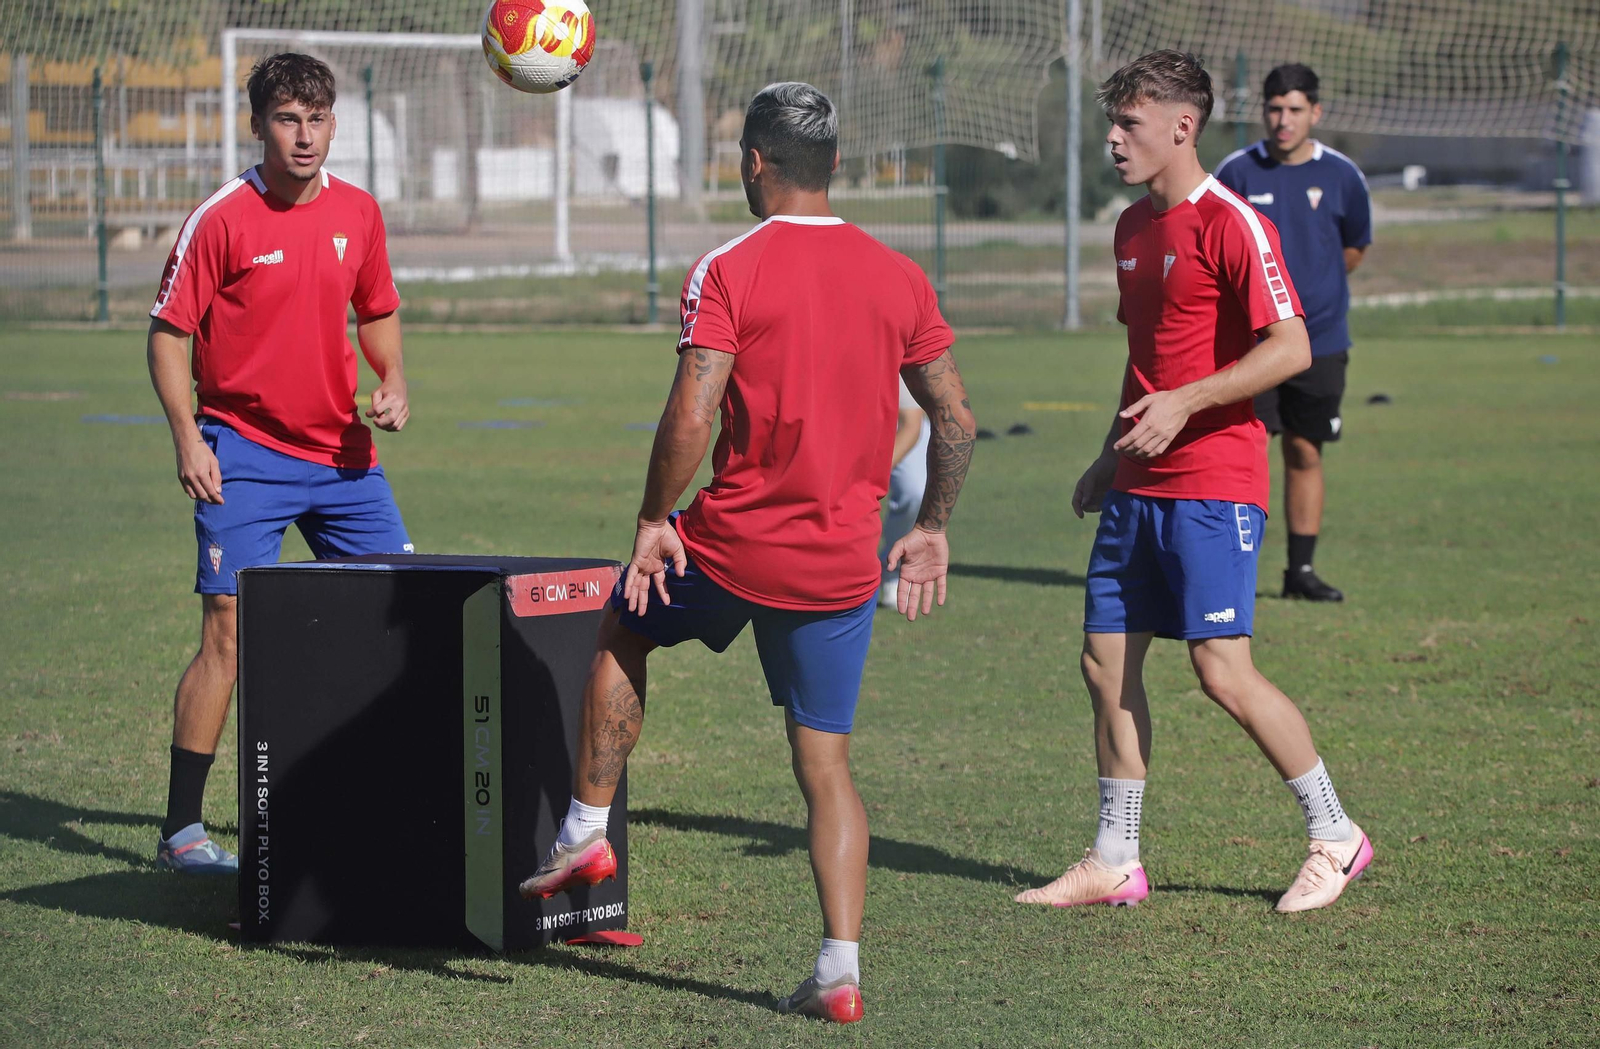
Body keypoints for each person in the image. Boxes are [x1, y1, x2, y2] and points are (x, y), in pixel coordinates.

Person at [517, 81, 976, 1023]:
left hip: (729, 548)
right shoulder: (900, 276)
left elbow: (693, 406)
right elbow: (955, 420)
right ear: (836, 166)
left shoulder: (729, 266)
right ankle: (840, 969)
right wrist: (929, 527)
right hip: (843, 565)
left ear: (755, 163)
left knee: (620, 624)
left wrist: (655, 519)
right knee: (825, 765)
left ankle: (587, 830)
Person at [1014, 51, 1370, 915]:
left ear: (1182, 126)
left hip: (1214, 483)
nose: (1112, 139)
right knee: (1105, 662)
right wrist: (1112, 451)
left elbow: (1290, 347)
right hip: (1139, 485)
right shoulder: (1131, 228)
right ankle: (1115, 858)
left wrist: (1187, 403)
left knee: (1221, 670)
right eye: (1112, 122)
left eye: (1128, 124)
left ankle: (1336, 835)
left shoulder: (1233, 221)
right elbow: (1146, 365)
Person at [145, 53, 412, 873]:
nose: (305, 136)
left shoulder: (359, 212)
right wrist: (189, 438)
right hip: (243, 455)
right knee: (227, 633)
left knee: (405, 613)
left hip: (342, 457)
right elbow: (168, 335)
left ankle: (388, 802)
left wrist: (393, 377)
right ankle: (183, 831)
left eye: (318, 119)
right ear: (258, 124)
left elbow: (378, 312)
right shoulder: (221, 217)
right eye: (288, 119)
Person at [1215, 63, 1372, 602]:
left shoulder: (1343, 175)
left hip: (1322, 342)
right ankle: (1234, 569)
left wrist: (1309, 299)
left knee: (1306, 450)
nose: (1284, 121)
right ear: (1263, 111)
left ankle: (1300, 573)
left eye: (1295, 110)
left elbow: (1353, 249)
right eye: (1275, 109)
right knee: (1246, 451)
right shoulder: (1236, 173)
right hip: (1254, 347)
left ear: (1315, 112)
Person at [878, 377, 930, 609]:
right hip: (843, 425)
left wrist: (869, 480)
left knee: (914, 491)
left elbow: (910, 425)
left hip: (900, 426)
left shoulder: (888, 345)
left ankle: (894, 567)